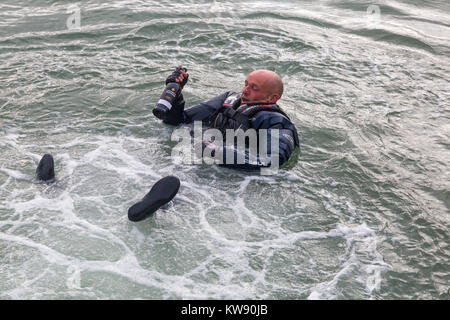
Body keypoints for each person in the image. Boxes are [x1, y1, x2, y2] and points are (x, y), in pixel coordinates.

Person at [154, 67, 300, 171]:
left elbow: (273, 161)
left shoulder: (277, 123)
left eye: (254, 88)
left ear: (272, 98)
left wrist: (219, 152)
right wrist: (176, 92)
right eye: (246, 84)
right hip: (200, 157)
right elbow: (180, 121)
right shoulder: (228, 99)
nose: (245, 90)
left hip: (234, 178)